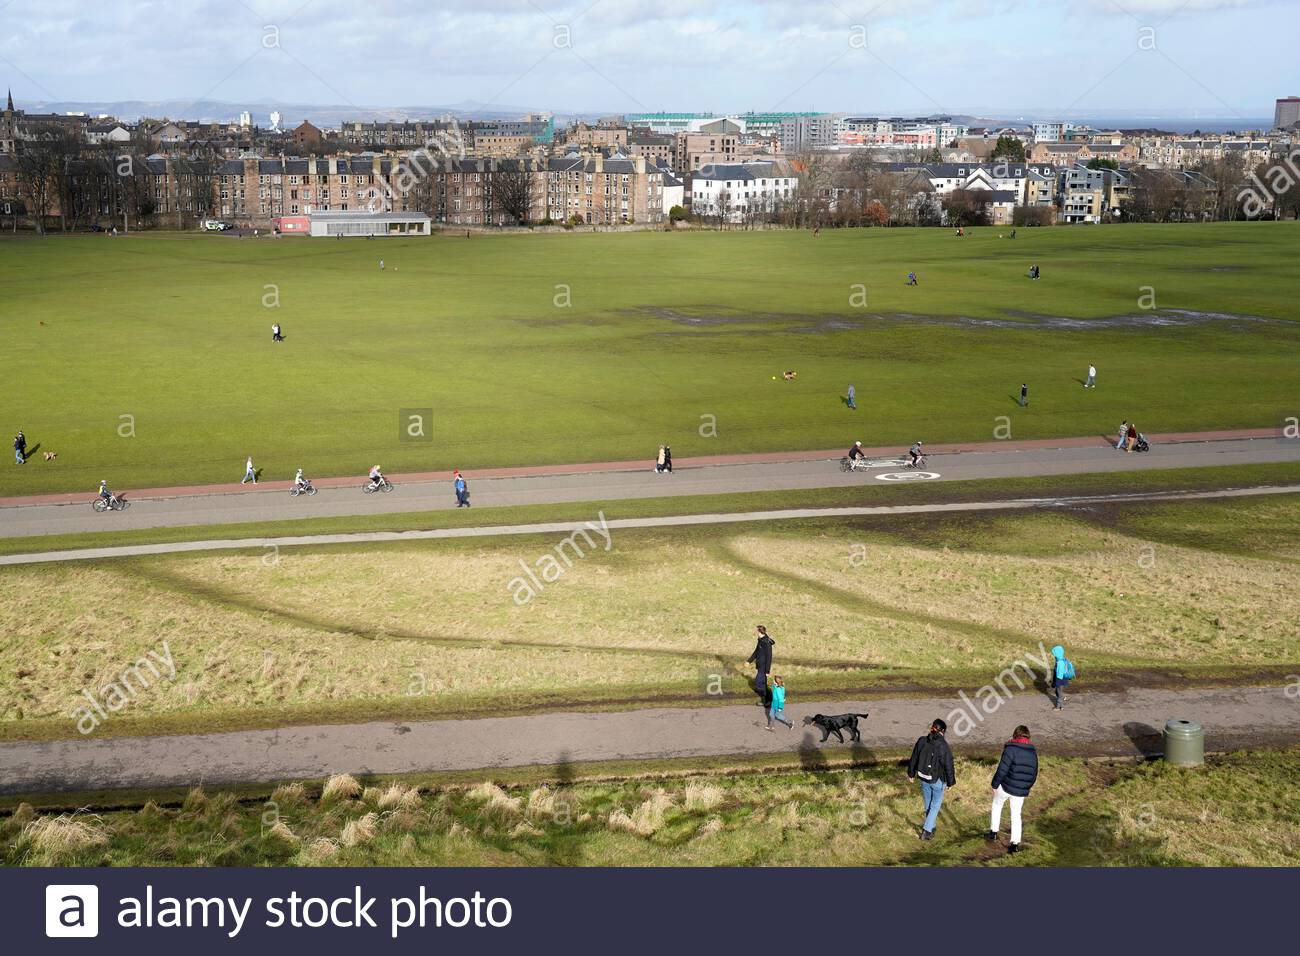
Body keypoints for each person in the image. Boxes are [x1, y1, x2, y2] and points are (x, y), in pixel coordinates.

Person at [988, 725, 1038, 854]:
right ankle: (1015, 844)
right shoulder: (1033, 752)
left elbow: (1002, 770)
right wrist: (1026, 786)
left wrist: (994, 785)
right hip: (1020, 790)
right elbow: (1034, 774)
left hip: (1005, 786)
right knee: (1016, 815)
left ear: (1015, 735)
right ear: (1028, 737)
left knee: (997, 805)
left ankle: (993, 832)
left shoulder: (1010, 749)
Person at [907, 718, 956, 840]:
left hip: (923, 777)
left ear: (932, 728)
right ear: (943, 731)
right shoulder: (943, 745)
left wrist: (911, 774)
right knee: (935, 806)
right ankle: (926, 831)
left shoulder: (922, 740)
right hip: (937, 780)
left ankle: (931, 827)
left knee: (928, 804)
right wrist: (950, 782)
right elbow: (948, 764)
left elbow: (914, 758)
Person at [746, 625, 775, 708]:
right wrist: (749, 661)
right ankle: (767, 700)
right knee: (761, 684)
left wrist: (767, 671)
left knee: (759, 683)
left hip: (764, 667)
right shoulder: (760, 640)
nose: (755, 632)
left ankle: (768, 700)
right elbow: (756, 652)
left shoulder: (767, 642)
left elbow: (769, 657)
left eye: (756, 631)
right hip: (759, 666)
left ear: (760, 631)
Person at [1050, 644, 1075, 710]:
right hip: (1062, 679)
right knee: (1057, 692)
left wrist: (1056, 683)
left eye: (1054, 654)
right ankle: (1063, 699)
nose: (1054, 655)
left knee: (1059, 693)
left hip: (1060, 680)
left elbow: (1059, 675)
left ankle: (1059, 707)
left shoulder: (1060, 663)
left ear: (1057, 654)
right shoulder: (1061, 660)